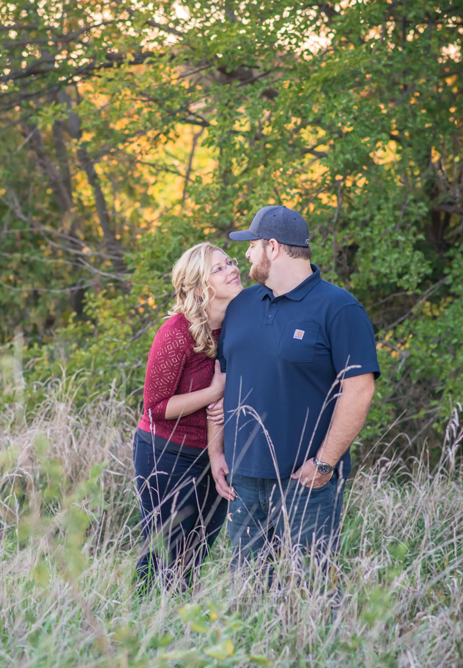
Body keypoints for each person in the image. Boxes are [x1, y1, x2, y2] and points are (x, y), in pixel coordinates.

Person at [207, 205, 380, 581]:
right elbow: (223, 382)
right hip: (243, 480)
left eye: (251, 246)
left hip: (305, 481)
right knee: (249, 591)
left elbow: (360, 390)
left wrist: (324, 463)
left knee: (312, 588)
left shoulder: (339, 308)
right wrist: (216, 451)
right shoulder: (241, 306)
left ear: (272, 248)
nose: (246, 255)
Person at [133, 241, 243, 592]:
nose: (232, 269)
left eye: (230, 262)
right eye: (219, 268)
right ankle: (140, 613)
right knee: (163, 553)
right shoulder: (177, 332)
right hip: (166, 453)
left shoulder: (239, 326)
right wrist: (213, 393)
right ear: (198, 287)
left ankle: (177, 618)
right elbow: (155, 407)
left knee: (195, 555)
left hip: (214, 455)